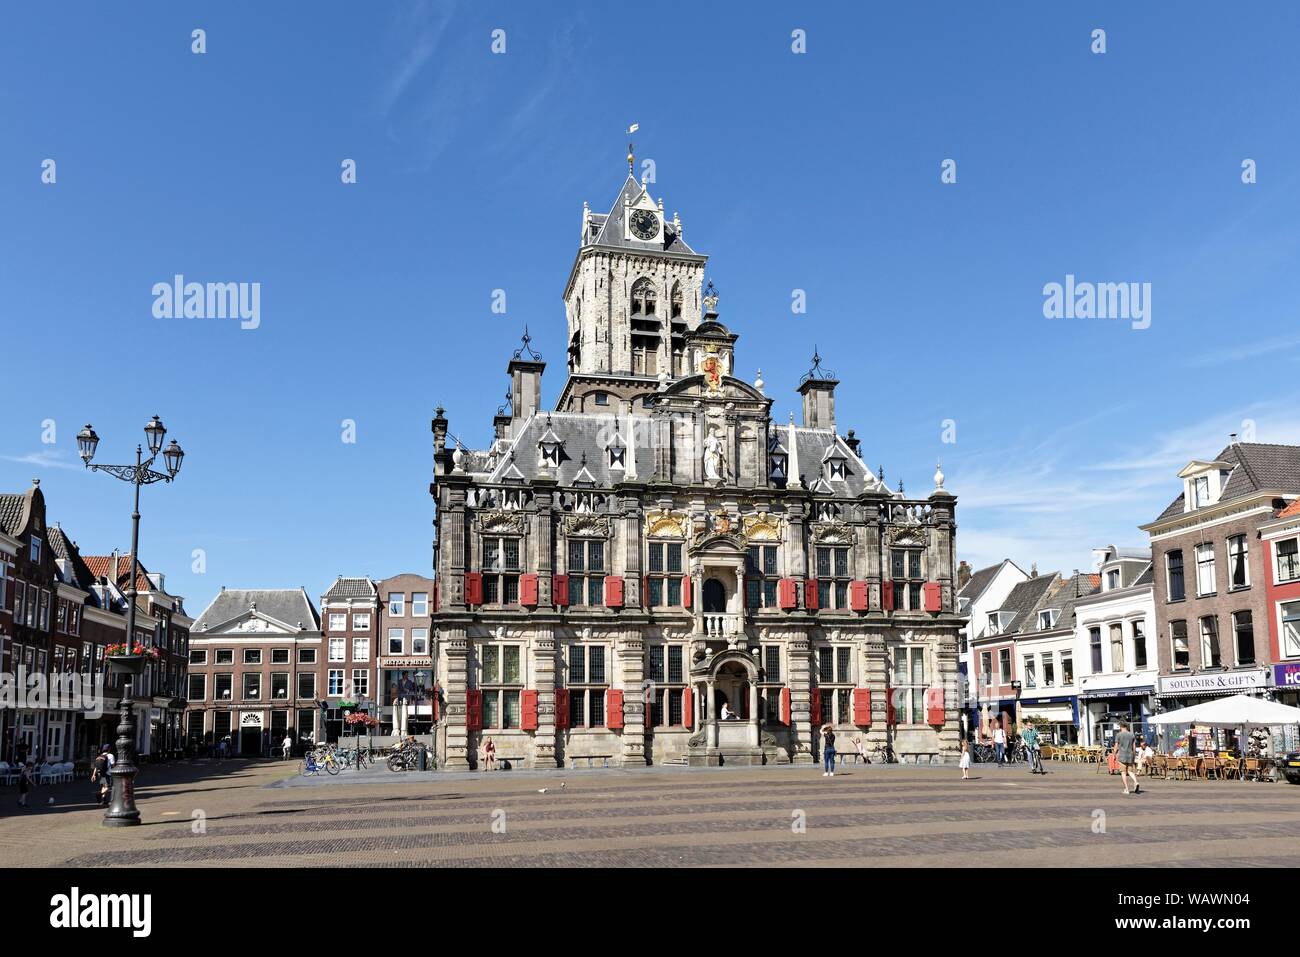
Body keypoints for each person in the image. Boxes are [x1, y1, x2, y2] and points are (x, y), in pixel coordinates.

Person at [1113, 720, 1140, 794]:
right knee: (1130, 771)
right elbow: (1134, 747)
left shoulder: (1118, 735)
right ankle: (1136, 782)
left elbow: (1116, 746)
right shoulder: (1131, 735)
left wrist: (1114, 755)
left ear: (1121, 726)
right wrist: (1134, 756)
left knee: (1123, 772)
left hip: (1122, 755)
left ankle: (1127, 789)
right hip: (1130, 755)